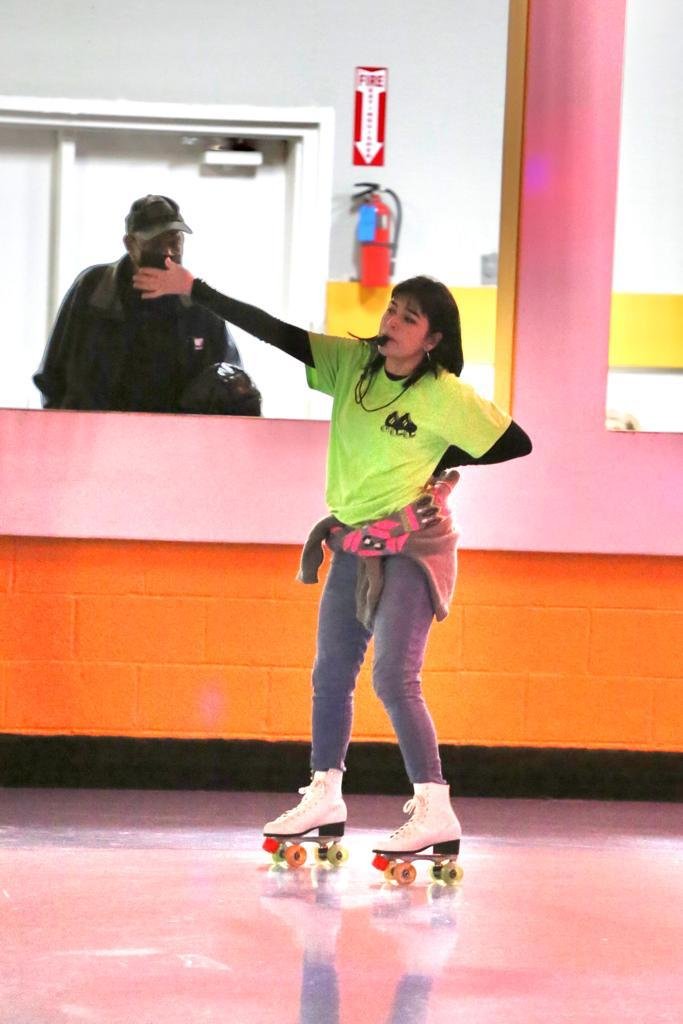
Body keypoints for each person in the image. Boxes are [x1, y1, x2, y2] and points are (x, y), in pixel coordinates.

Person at [133, 258, 532, 860]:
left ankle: (435, 809)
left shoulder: (443, 395)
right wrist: (197, 290)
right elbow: (277, 333)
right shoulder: (352, 365)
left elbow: (515, 442)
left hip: (414, 544)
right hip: (354, 540)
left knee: (393, 677)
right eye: (392, 309)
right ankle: (325, 796)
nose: (392, 321)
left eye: (409, 318)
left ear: (433, 339)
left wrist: (438, 460)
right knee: (330, 674)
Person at [33, 195, 242, 412]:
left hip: (176, 432)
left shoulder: (199, 303)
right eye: (156, 245)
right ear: (130, 244)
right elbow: (51, 376)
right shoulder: (92, 290)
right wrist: (65, 427)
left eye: (174, 242)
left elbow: (229, 382)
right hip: (96, 430)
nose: (168, 254)